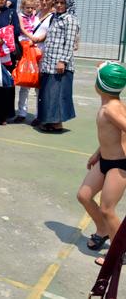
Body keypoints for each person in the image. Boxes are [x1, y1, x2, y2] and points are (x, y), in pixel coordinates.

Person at [77, 61, 126, 265]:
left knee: (107, 208)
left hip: (120, 165)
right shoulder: (108, 104)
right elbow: (111, 135)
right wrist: (97, 153)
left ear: (101, 86)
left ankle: (118, 252)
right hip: (105, 159)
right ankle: (103, 229)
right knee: (84, 196)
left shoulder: (111, 110)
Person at [37, 0, 80, 132]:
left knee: (58, 94)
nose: (59, 5)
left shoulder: (70, 19)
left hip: (60, 64)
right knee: (49, 93)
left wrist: (62, 61)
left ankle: (57, 123)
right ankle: (50, 121)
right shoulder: (55, 18)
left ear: (68, 4)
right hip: (49, 62)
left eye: (63, 3)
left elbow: (69, 43)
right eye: (57, 2)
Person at [14, 0, 41, 123]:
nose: (29, 10)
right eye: (27, 7)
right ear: (22, 7)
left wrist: (34, 40)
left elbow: (40, 33)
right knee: (25, 83)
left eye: (31, 7)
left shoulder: (37, 19)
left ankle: (38, 114)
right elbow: (21, 29)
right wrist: (31, 38)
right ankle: (22, 112)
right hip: (24, 51)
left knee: (37, 84)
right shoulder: (20, 17)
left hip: (35, 52)